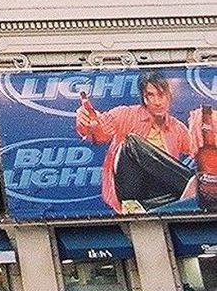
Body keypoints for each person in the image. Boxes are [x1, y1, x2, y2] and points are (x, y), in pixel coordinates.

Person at [75, 72, 195, 213]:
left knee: (203, 177)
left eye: (162, 95)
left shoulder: (178, 129)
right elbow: (101, 134)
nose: (157, 102)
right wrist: (91, 124)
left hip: (156, 197)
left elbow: (198, 152)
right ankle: (190, 185)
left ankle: (184, 192)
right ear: (144, 98)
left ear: (169, 97)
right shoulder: (125, 114)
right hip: (130, 189)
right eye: (151, 95)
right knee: (131, 143)